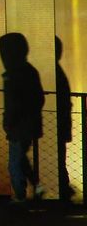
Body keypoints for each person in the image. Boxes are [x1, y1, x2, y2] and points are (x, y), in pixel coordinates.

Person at [0, 33, 45, 203]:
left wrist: (9, 120)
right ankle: (35, 185)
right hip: (28, 123)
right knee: (21, 158)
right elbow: (39, 98)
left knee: (15, 162)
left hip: (17, 124)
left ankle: (20, 194)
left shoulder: (12, 74)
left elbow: (12, 102)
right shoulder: (30, 71)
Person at [55, 36, 74, 201]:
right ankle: (63, 186)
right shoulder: (59, 73)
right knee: (59, 156)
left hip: (55, 123)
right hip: (60, 122)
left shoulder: (53, 73)